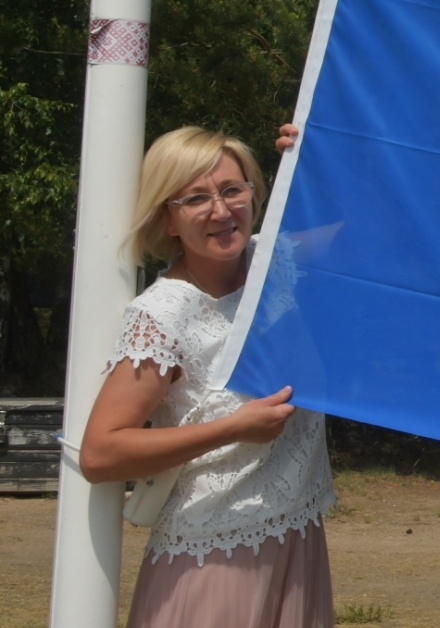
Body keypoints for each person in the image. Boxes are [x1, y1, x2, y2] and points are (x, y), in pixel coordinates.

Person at [80, 126, 336, 628]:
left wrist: (317, 159)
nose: (220, 211)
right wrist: (232, 428)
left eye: (232, 190)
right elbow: (101, 452)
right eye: (196, 198)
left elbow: (375, 228)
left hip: (299, 542)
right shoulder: (162, 314)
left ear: (254, 195)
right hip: (214, 560)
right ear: (168, 219)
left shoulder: (276, 262)